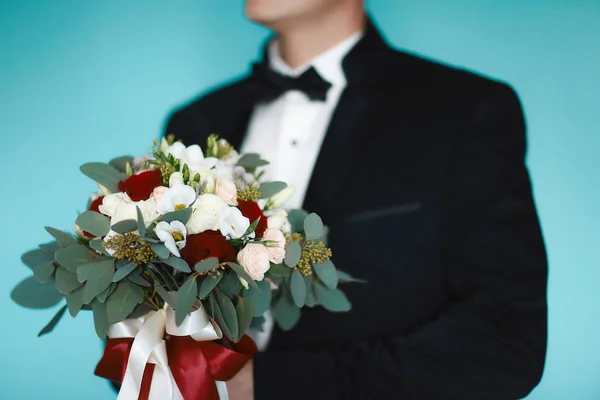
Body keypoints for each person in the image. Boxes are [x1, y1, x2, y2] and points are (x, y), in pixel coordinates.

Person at [164, 0, 548, 398]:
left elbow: (506, 340)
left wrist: (265, 385)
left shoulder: (464, 110)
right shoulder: (195, 123)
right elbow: (153, 319)